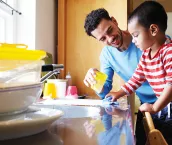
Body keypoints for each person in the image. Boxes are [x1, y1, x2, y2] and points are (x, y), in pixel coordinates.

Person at [83, 6, 171, 145]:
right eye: (103, 39)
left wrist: (156, 107)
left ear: (114, 21)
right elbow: (133, 80)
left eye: (110, 30)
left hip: (167, 105)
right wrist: (96, 80)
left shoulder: (154, 43)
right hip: (147, 107)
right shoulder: (110, 55)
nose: (110, 39)